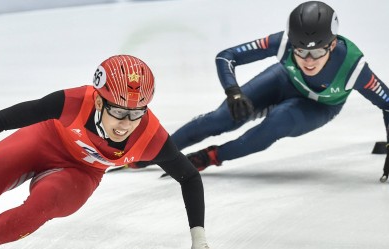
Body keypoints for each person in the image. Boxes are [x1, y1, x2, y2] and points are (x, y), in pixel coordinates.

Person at [0, 55, 240, 249]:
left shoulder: (150, 138)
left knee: (45, 204)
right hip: (41, 139)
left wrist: (199, 238)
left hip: (80, 172)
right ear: (99, 102)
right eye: (119, 113)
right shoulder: (72, 101)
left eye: (136, 114)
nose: (126, 124)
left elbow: (189, 177)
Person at [162, 1, 389, 172]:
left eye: (317, 52)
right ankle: (157, 152)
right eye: (301, 51)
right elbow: (226, 56)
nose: (309, 61)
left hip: (318, 105)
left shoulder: (353, 67)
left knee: (278, 121)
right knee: (222, 118)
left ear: (332, 45)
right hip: (283, 80)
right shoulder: (283, 42)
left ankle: (210, 156)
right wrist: (233, 91)